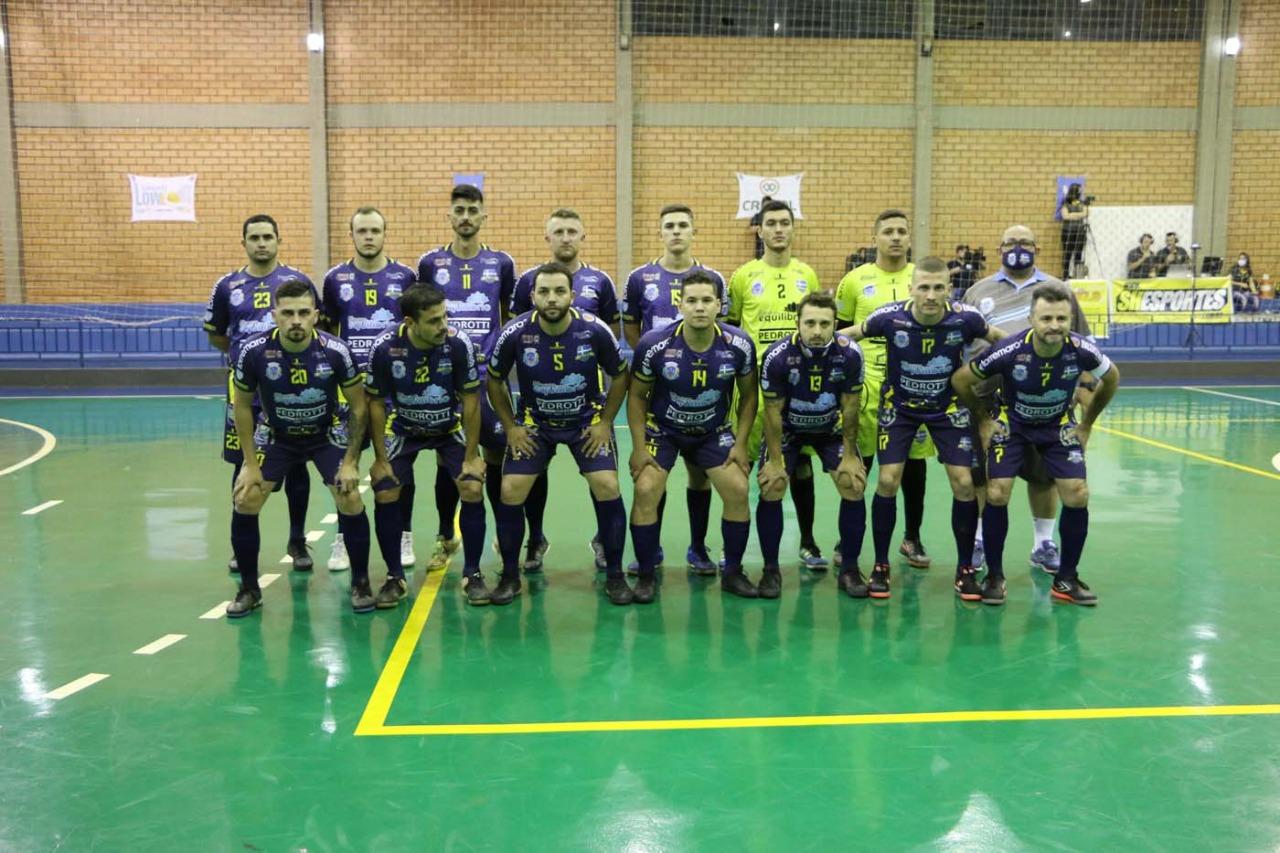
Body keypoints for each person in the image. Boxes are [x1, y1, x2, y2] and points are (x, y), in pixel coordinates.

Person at [843, 257, 1007, 600]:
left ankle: (965, 569)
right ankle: (881, 565)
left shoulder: (965, 318)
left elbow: (1000, 339)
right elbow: (851, 334)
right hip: (900, 408)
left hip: (946, 409)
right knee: (888, 479)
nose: (931, 295)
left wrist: (1036, 349)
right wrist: (807, 341)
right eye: (924, 287)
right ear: (911, 289)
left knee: (964, 483)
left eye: (938, 287)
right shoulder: (889, 317)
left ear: (949, 289)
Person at [952, 282, 1120, 605]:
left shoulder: (1081, 349)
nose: (1054, 326)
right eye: (1046, 319)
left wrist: (1085, 425)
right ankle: (995, 575)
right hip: (1013, 425)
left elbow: (1112, 377)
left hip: (1057, 426)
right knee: (997, 490)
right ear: (1032, 319)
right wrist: (985, 419)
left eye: (1061, 318)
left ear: (1070, 319)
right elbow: (961, 379)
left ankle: (1066, 579)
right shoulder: (1010, 350)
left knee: (1077, 493)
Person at [488, 262, 633, 606]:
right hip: (536, 424)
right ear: (532, 296)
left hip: (585, 422)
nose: (551, 299)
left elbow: (620, 375)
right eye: (543, 292)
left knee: (608, 484)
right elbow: (494, 379)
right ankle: (510, 575)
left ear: (571, 294)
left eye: (559, 291)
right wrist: (511, 426)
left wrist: (605, 422)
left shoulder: (594, 330)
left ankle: (614, 573)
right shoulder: (515, 332)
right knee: (510, 489)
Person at [226, 280, 373, 617]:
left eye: (304, 313)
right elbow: (243, 406)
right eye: (288, 313)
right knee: (246, 497)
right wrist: (249, 464)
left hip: (325, 433)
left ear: (316, 316)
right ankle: (249, 588)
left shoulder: (336, 351)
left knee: (349, 496)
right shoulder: (254, 352)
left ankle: (361, 582)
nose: (296, 320)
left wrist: (351, 461)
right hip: (276, 434)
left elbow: (360, 407)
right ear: (274, 315)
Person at [962, 225, 1092, 574]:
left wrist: (1082, 398)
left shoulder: (1057, 290)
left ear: (1036, 248)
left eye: (1024, 243)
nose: (1017, 248)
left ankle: (1043, 543)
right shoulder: (978, 291)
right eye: (1010, 243)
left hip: (1045, 402)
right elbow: (964, 345)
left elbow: (1081, 345)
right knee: (984, 478)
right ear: (999, 247)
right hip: (988, 401)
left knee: (1043, 476)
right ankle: (978, 541)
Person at [627, 271, 756, 602]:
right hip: (664, 430)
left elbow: (750, 396)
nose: (700, 308)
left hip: (712, 432)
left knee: (739, 490)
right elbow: (637, 397)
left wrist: (740, 444)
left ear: (719, 305)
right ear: (680, 304)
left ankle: (732, 572)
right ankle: (645, 574)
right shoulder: (654, 343)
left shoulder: (739, 344)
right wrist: (639, 448)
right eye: (692, 301)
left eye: (707, 301)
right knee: (645, 489)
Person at [204, 214, 317, 575]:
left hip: (291, 387)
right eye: (254, 237)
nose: (262, 243)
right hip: (246, 388)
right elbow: (218, 335)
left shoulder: (296, 281)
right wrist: (248, 360)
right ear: (244, 243)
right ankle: (241, 546)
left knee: (298, 461)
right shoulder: (227, 286)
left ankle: (297, 539)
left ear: (279, 240)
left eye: (268, 236)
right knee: (243, 463)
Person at [417, 185, 519, 572]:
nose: (465, 216)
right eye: (458, 210)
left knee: (493, 456)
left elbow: (509, 314)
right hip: (443, 379)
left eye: (472, 210)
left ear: (483, 216)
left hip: (485, 379)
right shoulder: (430, 263)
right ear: (449, 216)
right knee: (448, 461)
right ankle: (446, 535)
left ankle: (499, 532)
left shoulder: (501, 263)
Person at [510, 208, 620, 570]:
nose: (566, 237)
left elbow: (613, 338)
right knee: (530, 474)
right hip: (538, 404)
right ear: (548, 237)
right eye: (558, 231)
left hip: (585, 403)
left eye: (573, 230)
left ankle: (605, 540)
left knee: (600, 475)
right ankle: (535, 537)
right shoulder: (528, 280)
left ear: (583, 236)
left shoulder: (599, 281)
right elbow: (516, 333)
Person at [365, 285, 487, 605]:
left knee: (472, 486)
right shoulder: (384, 347)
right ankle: (395, 577)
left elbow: (472, 400)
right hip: (403, 426)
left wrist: (472, 456)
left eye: (445, 316)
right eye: (434, 320)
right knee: (385, 487)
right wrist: (380, 458)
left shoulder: (459, 344)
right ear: (410, 322)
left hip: (449, 425)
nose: (443, 325)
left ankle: (472, 573)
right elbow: (376, 404)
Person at [622, 204, 727, 575]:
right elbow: (632, 329)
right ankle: (652, 551)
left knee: (700, 475)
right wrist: (653, 360)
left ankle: (698, 548)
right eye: (670, 226)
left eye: (683, 225)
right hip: (659, 388)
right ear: (660, 232)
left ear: (694, 231)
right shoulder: (640, 277)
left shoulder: (712, 278)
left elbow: (720, 334)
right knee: (656, 474)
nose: (677, 231)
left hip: (700, 390)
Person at [727, 199, 828, 570]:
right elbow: (733, 328)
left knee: (799, 463)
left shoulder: (807, 274)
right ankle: (732, 544)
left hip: (799, 386)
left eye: (785, 222)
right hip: (752, 386)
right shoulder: (743, 276)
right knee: (742, 463)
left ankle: (807, 540)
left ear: (793, 228)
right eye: (771, 223)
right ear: (760, 230)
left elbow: (815, 326)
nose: (779, 229)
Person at [834, 209, 934, 570]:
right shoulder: (854, 281)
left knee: (913, 466)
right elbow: (841, 336)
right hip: (867, 384)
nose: (895, 237)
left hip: (913, 384)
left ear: (910, 238)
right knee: (864, 461)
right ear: (874, 236)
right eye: (888, 231)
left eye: (901, 231)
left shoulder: (922, 278)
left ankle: (913, 536)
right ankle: (849, 539)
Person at [321, 206, 416, 573]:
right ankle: (344, 538)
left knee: (396, 466)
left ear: (385, 233)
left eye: (375, 230)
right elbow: (327, 333)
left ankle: (405, 533)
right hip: (351, 389)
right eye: (362, 230)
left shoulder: (404, 276)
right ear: (352, 235)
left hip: (393, 390)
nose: (369, 236)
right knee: (344, 465)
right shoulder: (335, 279)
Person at [758, 291, 869, 599]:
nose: (817, 331)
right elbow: (771, 413)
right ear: (798, 323)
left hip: (829, 430)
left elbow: (850, 407)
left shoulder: (850, 354)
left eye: (825, 323)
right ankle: (770, 570)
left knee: (853, 483)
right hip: (789, 431)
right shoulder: (777, 356)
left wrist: (848, 456)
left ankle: (849, 568)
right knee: (773, 485)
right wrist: (776, 461)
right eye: (810, 323)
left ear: (835, 324)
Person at [1057, 183, 1088, 280]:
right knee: (1067, 254)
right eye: (1079, 190)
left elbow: (1085, 213)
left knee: (1078, 254)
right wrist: (1079, 214)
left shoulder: (1081, 203)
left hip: (1080, 232)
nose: (1081, 192)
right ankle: (1065, 276)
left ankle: (1077, 276)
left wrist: (1072, 215)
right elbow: (1065, 216)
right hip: (1068, 232)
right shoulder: (1066, 203)